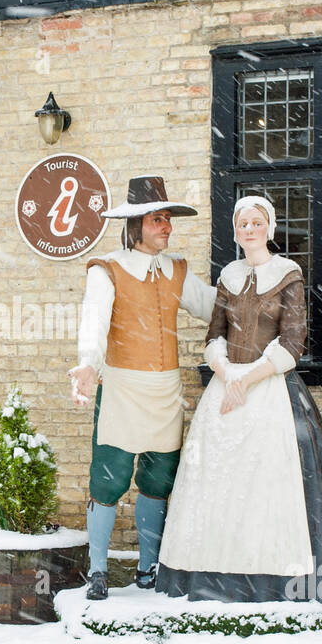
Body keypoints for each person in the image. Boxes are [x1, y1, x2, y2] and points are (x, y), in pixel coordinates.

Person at [155, 195, 322, 603]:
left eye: (256, 222)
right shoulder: (228, 274)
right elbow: (214, 335)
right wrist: (228, 375)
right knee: (215, 488)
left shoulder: (288, 274)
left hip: (272, 393)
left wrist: (249, 378)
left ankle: (273, 581)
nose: (249, 229)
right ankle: (210, 577)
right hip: (226, 389)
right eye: (243, 223)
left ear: (270, 228)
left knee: (269, 488)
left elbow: (294, 341)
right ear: (235, 230)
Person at [68, 175, 215, 600]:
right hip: (122, 387)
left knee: (158, 478)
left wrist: (254, 300)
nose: (166, 226)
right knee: (109, 477)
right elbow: (93, 322)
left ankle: (148, 567)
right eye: (157, 219)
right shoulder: (108, 268)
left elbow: (211, 306)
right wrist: (87, 366)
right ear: (135, 225)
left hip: (166, 389)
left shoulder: (176, 269)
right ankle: (97, 570)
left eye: (168, 219)